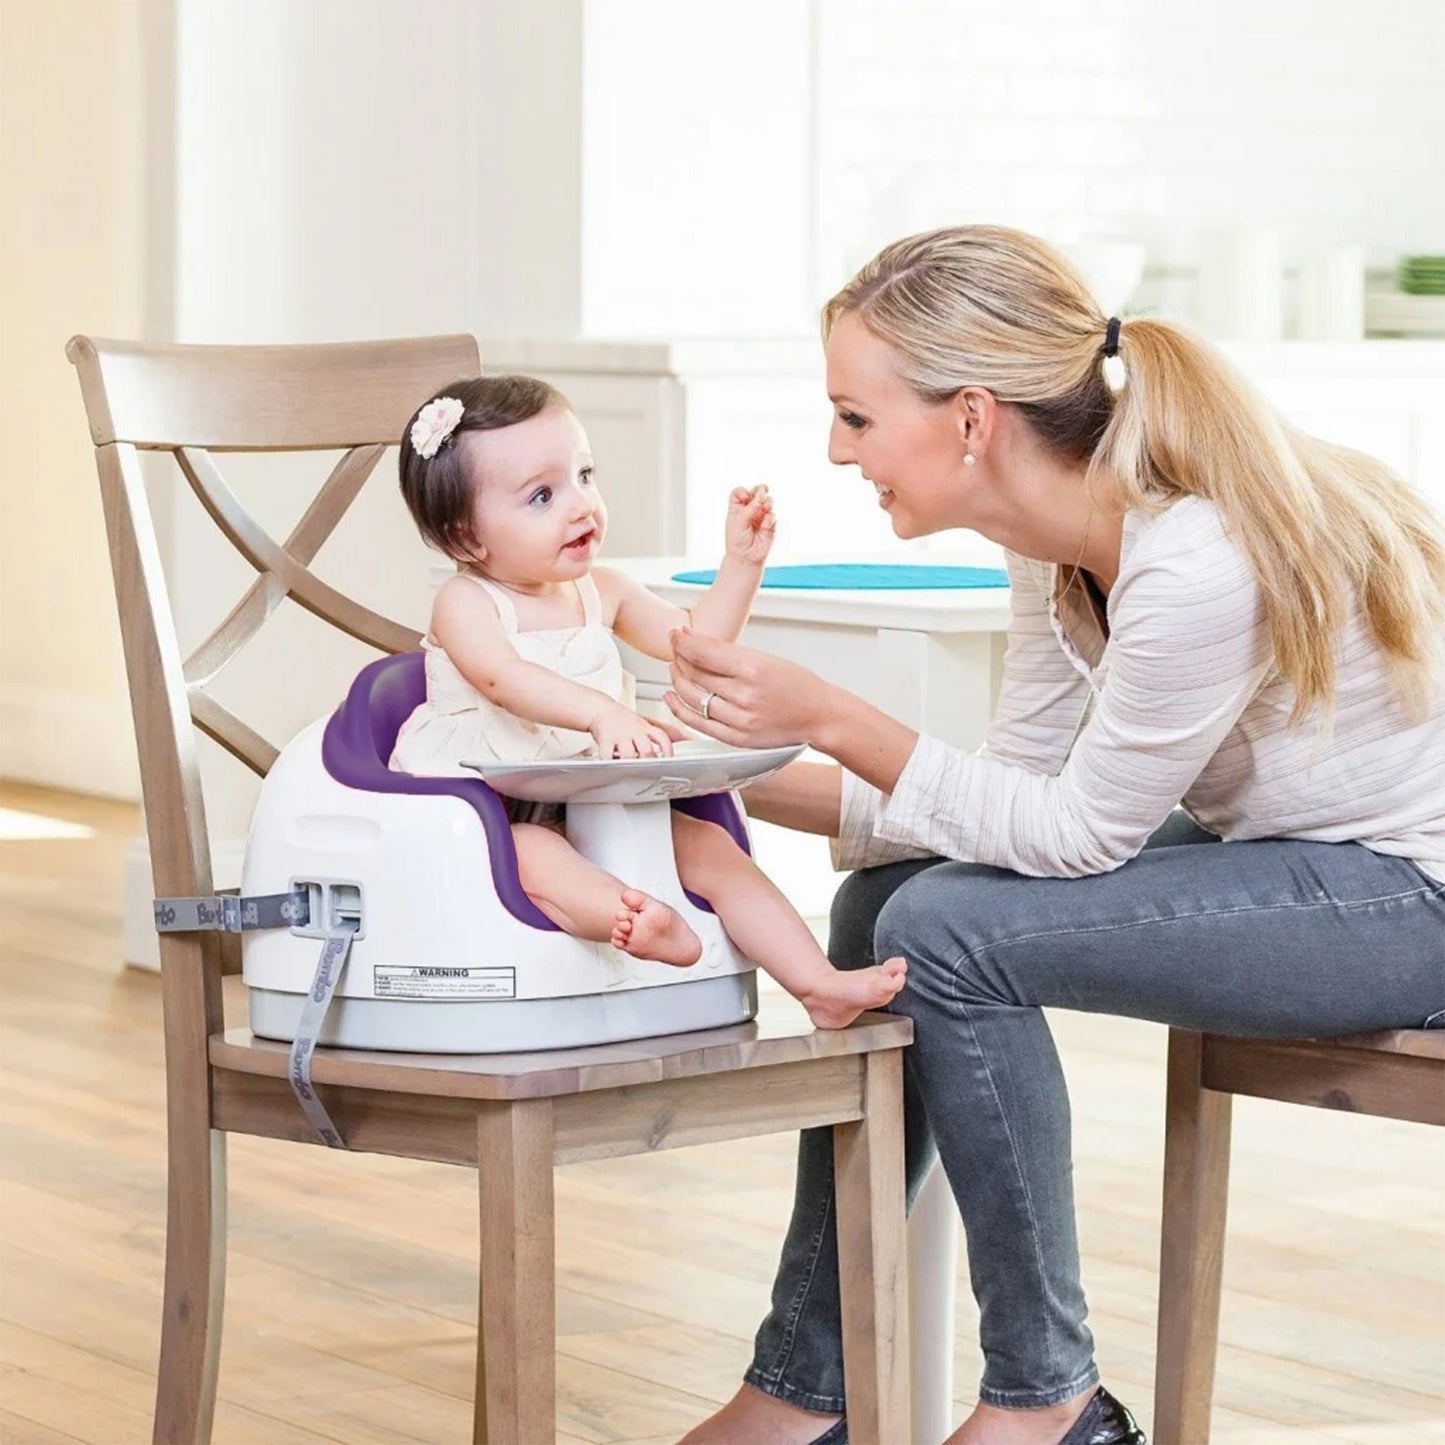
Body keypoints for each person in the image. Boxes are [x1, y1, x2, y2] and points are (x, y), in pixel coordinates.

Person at [666, 225, 1445, 1445]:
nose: (835, 449)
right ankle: (805, 1389)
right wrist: (719, 777)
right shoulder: (1053, 547)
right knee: (888, 903)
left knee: (945, 928)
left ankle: (1047, 1400)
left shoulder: (1191, 557)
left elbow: (1074, 835)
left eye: (855, 417)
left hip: (1409, 901)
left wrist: (827, 715)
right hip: (1308, 861)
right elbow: (1009, 799)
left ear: (970, 419)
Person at [388, 375, 907, 1029]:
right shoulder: (466, 602)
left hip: (586, 796)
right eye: (543, 495)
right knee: (532, 852)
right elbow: (502, 679)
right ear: (466, 538)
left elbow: (695, 646)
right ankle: (629, 917)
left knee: (710, 846)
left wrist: (740, 566)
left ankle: (817, 984)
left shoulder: (603, 590)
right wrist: (601, 712)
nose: (581, 506)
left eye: (584, 476)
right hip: (487, 811)